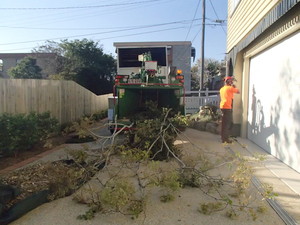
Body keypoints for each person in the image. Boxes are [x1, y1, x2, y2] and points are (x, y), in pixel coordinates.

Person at [219, 76, 240, 143]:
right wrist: (234, 86)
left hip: (222, 106)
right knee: (228, 123)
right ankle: (225, 139)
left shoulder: (222, 89)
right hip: (227, 107)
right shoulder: (230, 88)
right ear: (229, 82)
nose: (232, 82)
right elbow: (238, 91)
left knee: (224, 123)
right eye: (231, 81)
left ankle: (223, 137)